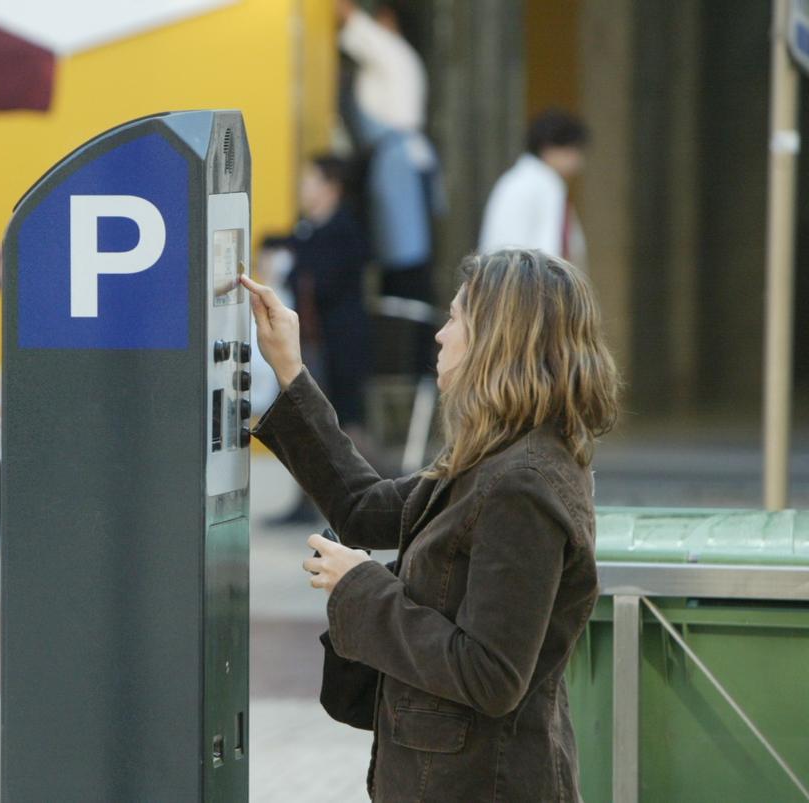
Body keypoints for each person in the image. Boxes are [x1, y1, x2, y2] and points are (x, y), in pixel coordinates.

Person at [240, 248, 619, 801]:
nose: (440, 336)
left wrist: (361, 588)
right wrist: (291, 370)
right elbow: (363, 507)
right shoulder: (497, 458)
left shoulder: (523, 484)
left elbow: (491, 673)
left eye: (455, 318)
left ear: (498, 340)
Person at [260, 154, 372, 524]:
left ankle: (371, 494)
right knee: (311, 418)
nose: (303, 189)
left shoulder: (345, 230)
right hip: (313, 341)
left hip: (340, 343)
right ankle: (312, 500)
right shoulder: (308, 228)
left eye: (310, 181)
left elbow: (322, 281)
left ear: (330, 187)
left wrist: (290, 269)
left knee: (345, 419)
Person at [337, 0, 441, 303]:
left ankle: (405, 329)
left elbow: (347, 14)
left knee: (404, 258)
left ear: (388, 19)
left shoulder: (392, 50)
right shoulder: (403, 56)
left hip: (399, 162)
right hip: (400, 159)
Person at [479, 109, 589, 265]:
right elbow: (550, 247)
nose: (577, 163)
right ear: (548, 148)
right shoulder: (544, 185)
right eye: (570, 152)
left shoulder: (518, 179)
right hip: (530, 281)